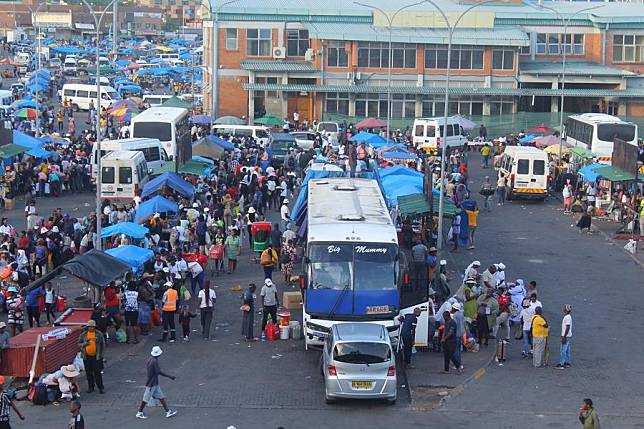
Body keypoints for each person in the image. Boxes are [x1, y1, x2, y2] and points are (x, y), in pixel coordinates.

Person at [136, 346, 177, 420]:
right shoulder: (154, 361)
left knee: (161, 397)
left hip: (154, 383)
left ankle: (168, 411)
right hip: (152, 384)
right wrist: (170, 376)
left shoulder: (150, 359)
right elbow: (159, 372)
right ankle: (139, 412)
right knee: (145, 399)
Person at [77, 320, 105, 394]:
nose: (91, 328)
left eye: (92, 327)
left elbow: (103, 345)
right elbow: (79, 344)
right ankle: (91, 387)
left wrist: (101, 355)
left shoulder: (99, 334)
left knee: (97, 372)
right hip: (86, 357)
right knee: (88, 373)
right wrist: (84, 344)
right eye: (90, 327)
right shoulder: (83, 335)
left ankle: (100, 387)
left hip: (96, 356)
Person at [556, 304, 573, 369]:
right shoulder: (568, 317)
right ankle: (567, 362)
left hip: (566, 336)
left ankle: (561, 364)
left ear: (565, 310)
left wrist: (564, 337)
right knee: (567, 350)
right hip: (568, 336)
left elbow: (567, 327)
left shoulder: (567, 317)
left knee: (563, 350)